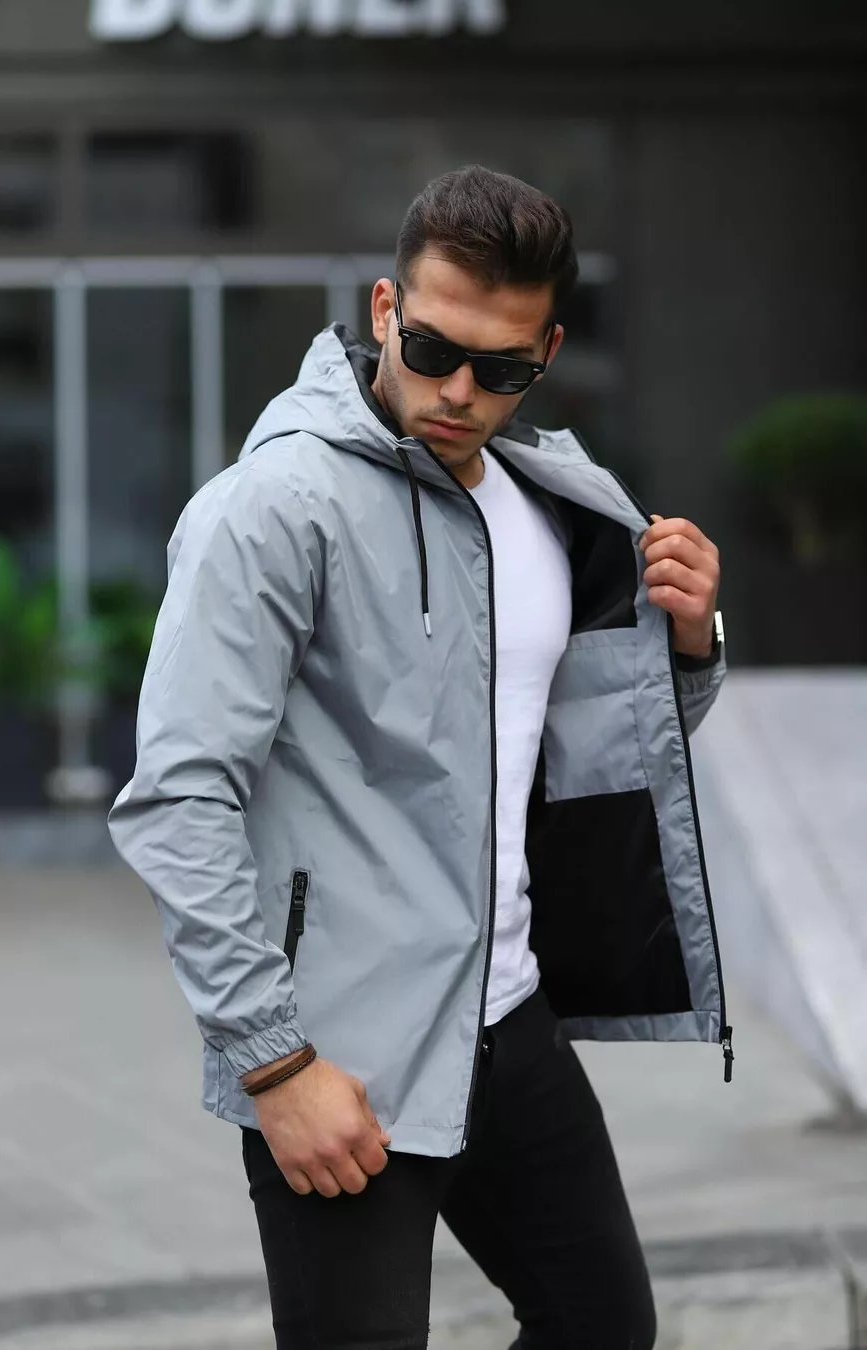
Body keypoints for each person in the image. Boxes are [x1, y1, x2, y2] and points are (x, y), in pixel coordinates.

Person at [109, 165, 728, 1350]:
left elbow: (567, 753)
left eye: (501, 370)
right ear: (386, 307)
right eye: (435, 349)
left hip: (509, 1017)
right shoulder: (272, 509)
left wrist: (689, 645)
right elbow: (177, 800)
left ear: (547, 351)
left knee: (603, 1328)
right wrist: (275, 1063)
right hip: (342, 1048)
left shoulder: (550, 502)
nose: (458, 392)